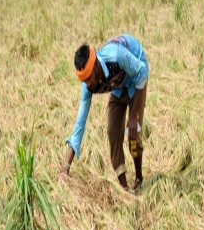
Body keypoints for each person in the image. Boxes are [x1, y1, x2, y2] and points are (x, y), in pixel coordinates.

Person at [61, 34, 149, 191]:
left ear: (95, 66)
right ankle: (125, 189)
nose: (88, 84)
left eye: (89, 78)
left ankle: (139, 177)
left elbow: (142, 73)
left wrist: (133, 117)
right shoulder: (87, 85)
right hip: (118, 87)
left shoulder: (117, 56)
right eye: (84, 80)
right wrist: (66, 166)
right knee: (113, 133)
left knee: (132, 134)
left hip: (136, 80)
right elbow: (80, 123)